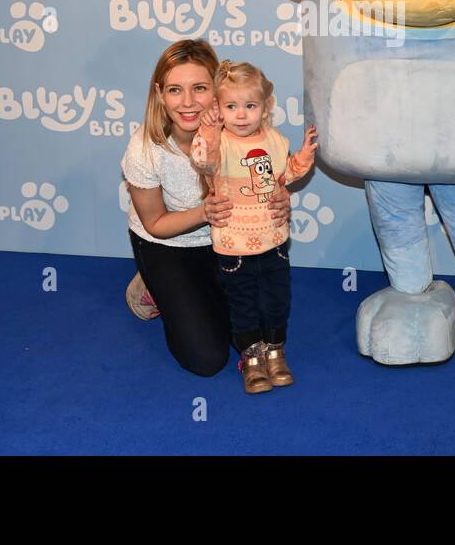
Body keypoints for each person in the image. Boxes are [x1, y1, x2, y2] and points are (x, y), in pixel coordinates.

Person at [120, 40, 292, 377]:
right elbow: (154, 223)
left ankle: (196, 291)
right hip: (165, 244)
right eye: (174, 90)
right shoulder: (144, 150)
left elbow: (267, 182)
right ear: (159, 93)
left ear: (217, 90)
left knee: (252, 324)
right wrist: (204, 213)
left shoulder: (245, 131)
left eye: (199, 88)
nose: (187, 102)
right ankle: (151, 284)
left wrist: (279, 200)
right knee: (207, 359)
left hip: (228, 242)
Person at [189, 60, 317, 393]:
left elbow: (283, 176)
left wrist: (302, 157)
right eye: (231, 106)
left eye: (250, 105)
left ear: (265, 106)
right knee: (243, 304)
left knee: (277, 300)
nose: (241, 115)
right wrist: (207, 129)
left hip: (273, 240)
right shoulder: (219, 142)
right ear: (219, 108)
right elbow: (202, 160)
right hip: (234, 246)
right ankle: (252, 359)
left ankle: (276, 351)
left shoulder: (274, 139)